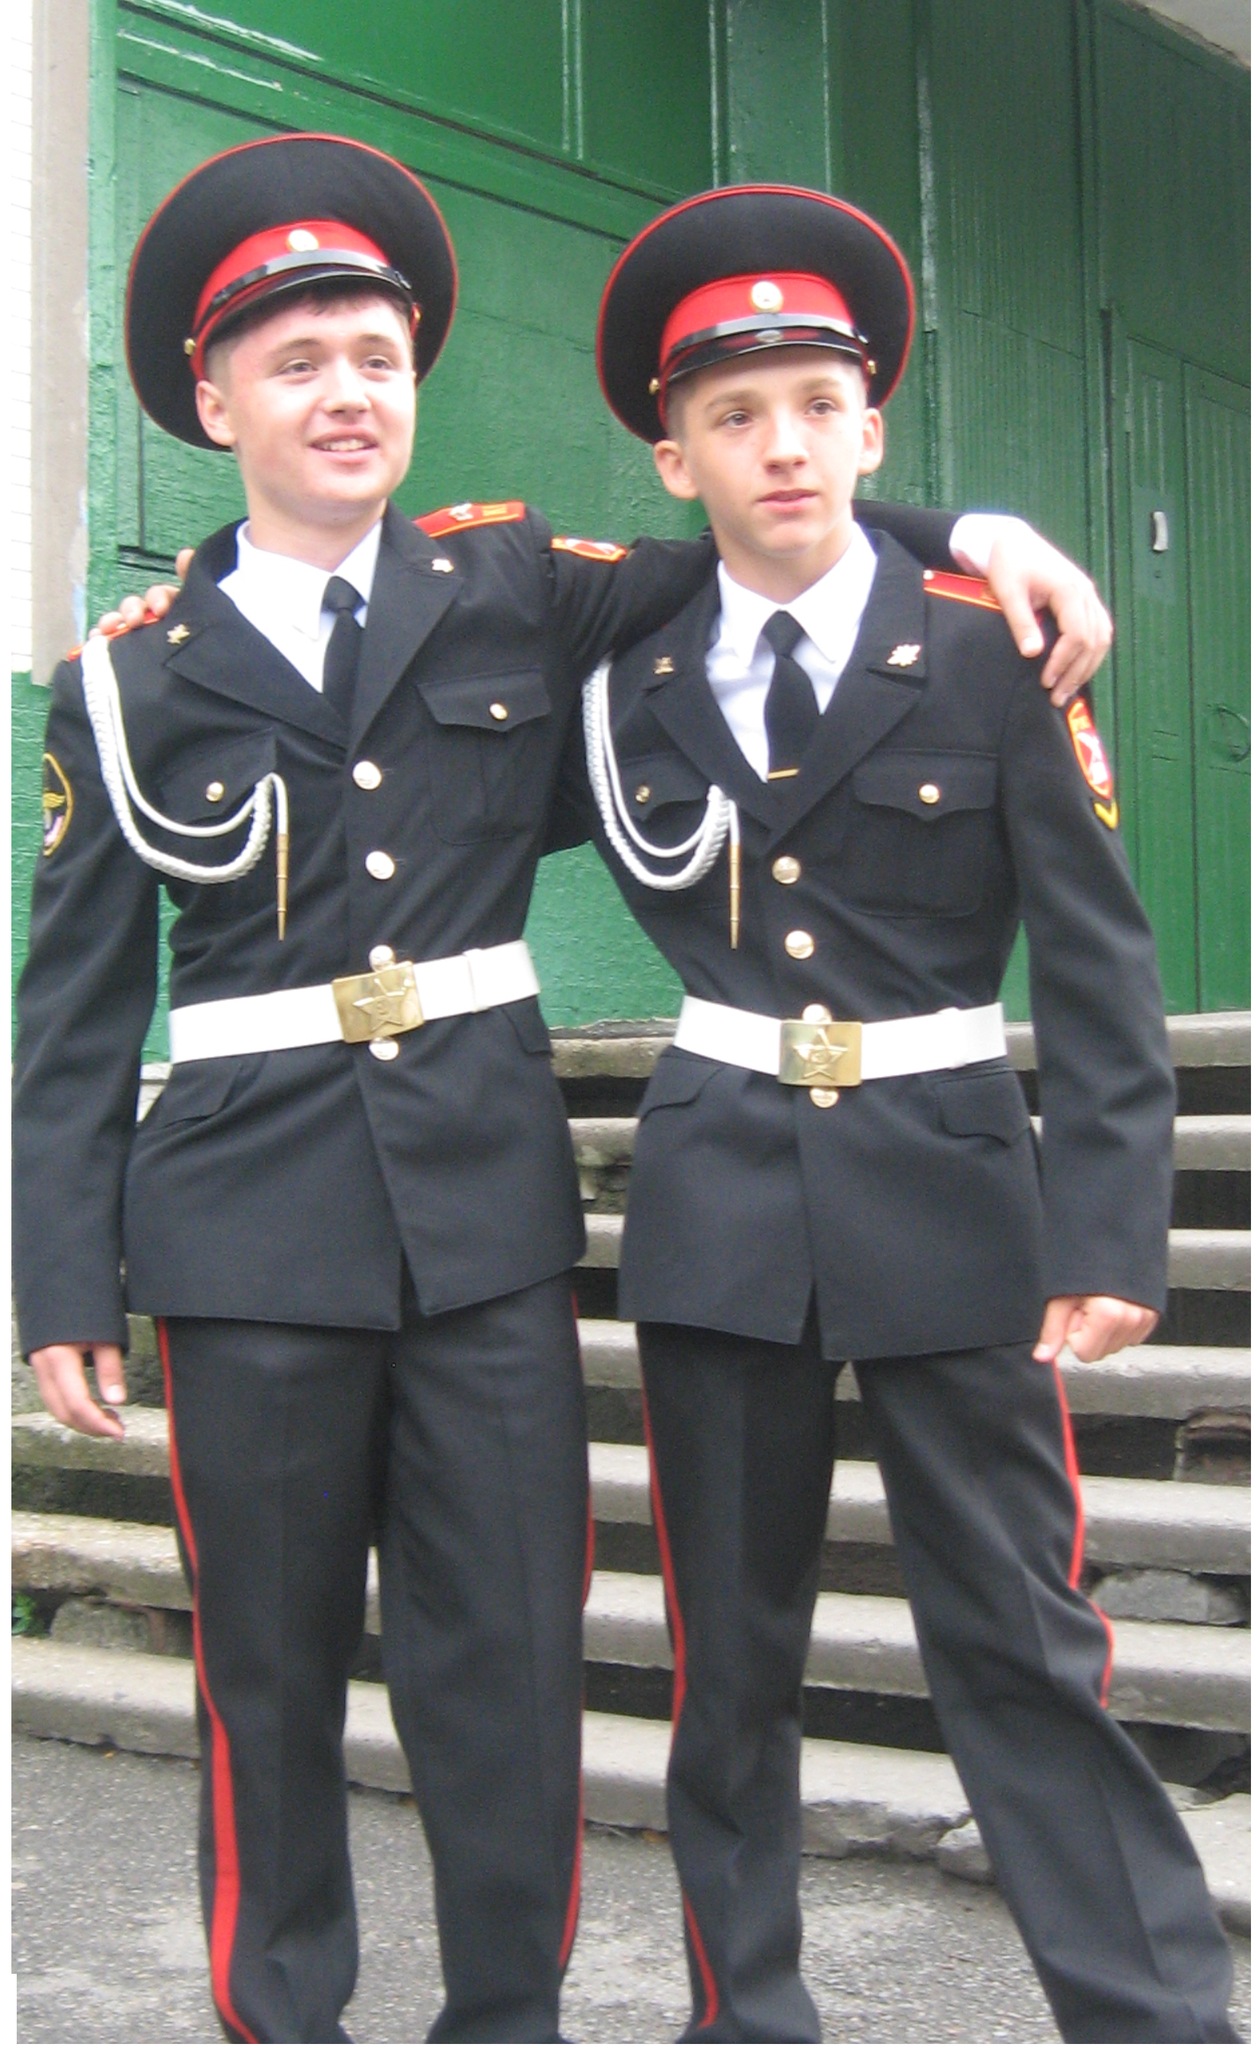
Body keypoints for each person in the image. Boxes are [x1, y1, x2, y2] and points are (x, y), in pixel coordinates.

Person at [13, 133, 1113, 2046]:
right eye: (296, 363)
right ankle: (281, 2017)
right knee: (265, 1673)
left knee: (508, 1660)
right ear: (214, 401)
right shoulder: (127, 684)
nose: (346, 394)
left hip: (483, 1219)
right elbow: (74, 1017)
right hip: (242, 1222)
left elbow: (779, 526)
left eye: (377, 358)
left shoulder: (520, 584)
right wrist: (57, 1280)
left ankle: (504, 2019)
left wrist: (981, 531)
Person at [564, 183, 1239, 2043]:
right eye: (733, 415)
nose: (782, 445)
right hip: (720, 1198)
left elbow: (1098, 968)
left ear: (871, 428)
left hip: (949, 1187)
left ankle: (1151, 2015)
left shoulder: (988, 648)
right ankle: (744, 2016)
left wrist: (1111, 1229)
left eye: (817, 406)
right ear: (674, 453)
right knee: (729, 1658)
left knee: (1020, 1638)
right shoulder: (617, 676)